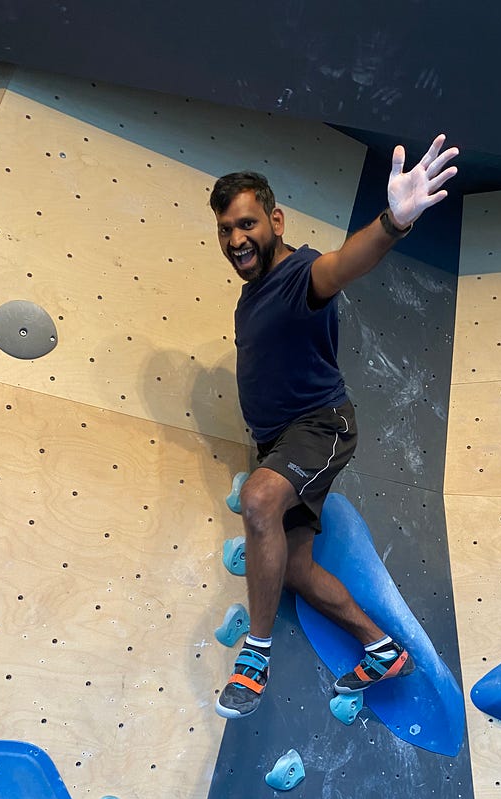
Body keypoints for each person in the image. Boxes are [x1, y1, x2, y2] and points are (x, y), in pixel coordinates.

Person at [210, 134, 459, 718]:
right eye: (225, 230)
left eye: (246, 224)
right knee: (292, 568)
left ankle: (255, 657)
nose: (236, 239)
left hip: (319, 427)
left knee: (259, 498)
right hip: (279, 442)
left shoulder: (300, 274)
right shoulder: (249, 299)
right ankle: (380, 648)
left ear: (274, 219)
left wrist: (393, 222)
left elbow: (343, 264)